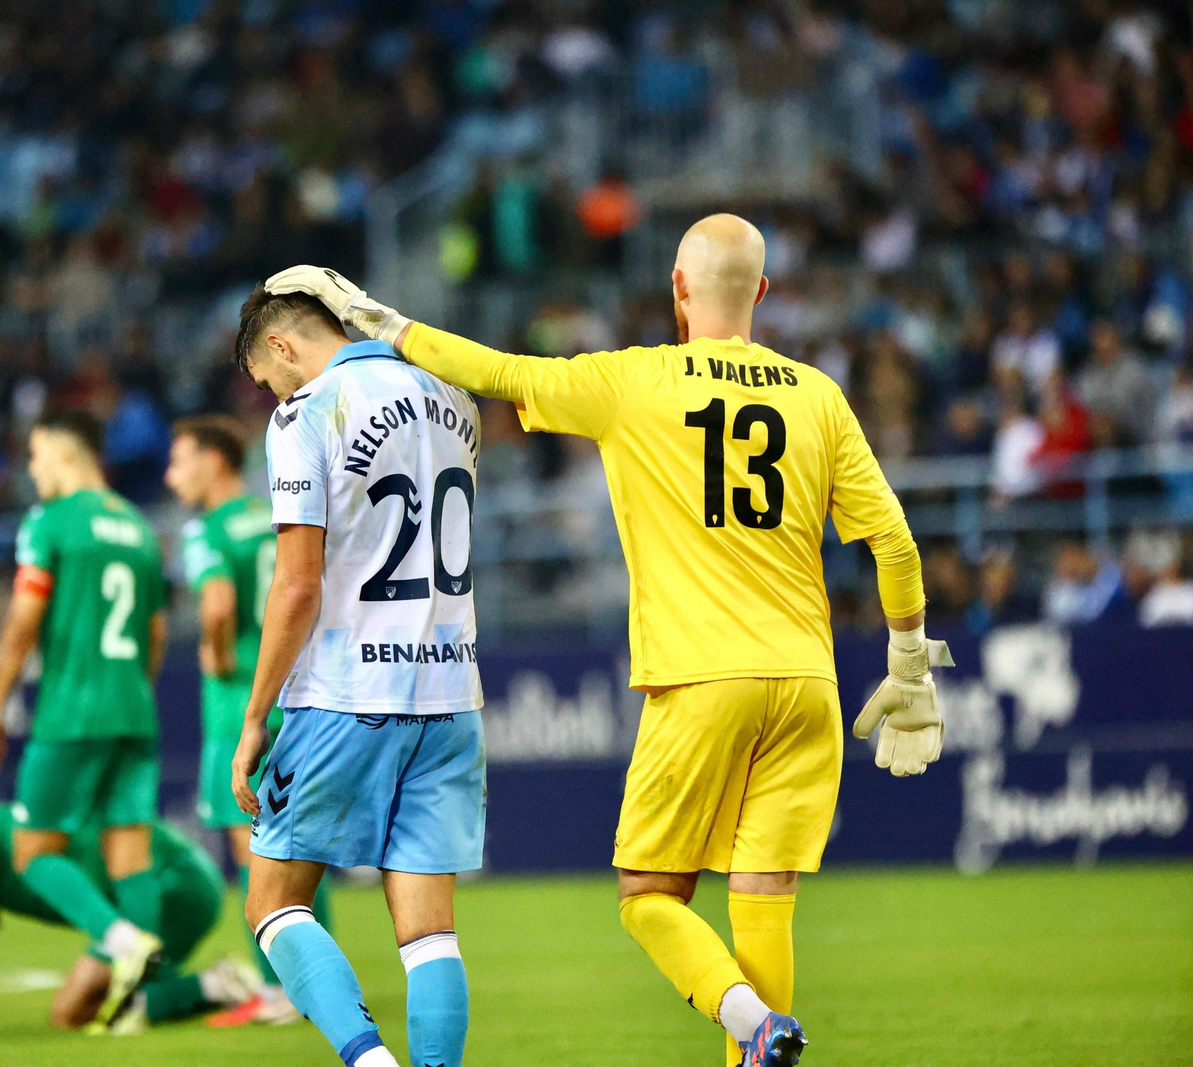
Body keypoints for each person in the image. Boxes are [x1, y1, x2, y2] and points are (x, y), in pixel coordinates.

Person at [267, 215, 951, 1067]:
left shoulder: (637, 381)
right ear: (763, 294)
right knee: (766, 893)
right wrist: (909, 660)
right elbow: (895, 542)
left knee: (647, 895)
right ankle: (760, 1050)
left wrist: (385, 322)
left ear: (676, 287)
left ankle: (755, 1027)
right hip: (810, 680)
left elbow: (500, 372)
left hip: (702, 675)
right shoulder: (818, 395)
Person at [229, 285, 485, 1067]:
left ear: (281, 347)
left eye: (268, 379)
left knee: (271, 903)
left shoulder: (306, 412)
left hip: (347, 694)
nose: (274, 393)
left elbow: (298, 582)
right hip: (450, 693)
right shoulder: (453, 397)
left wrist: (254, 717)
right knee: (430, 929)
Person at [0, 409, 169, 1030]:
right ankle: (139, 1000)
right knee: (130, 854)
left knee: (33, 852)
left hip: (71, 712)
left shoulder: (50, 521)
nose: (32, 472)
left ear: (64, 455)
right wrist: (134, 690)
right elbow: (157, 629)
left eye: (35, 458)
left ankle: (119, 940)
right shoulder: (139, 528)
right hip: (133, 709)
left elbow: (24, 618)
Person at [162, 413, 332, 1027]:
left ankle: (279, 990)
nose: (171, 474)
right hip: (300, 691)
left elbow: (218, 602)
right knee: (301, 848)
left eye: (180, 460)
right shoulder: (275, 515)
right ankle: (317, 984)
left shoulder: (206, 530)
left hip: (242, 705)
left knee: (251, 852)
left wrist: (217, 647)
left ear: (215, 461)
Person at [0, 804, 260, 1035]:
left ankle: (216, 984)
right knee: (87, 1007)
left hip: (171, 886)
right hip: (168, 889)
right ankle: (211, 986)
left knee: (70, 1010)